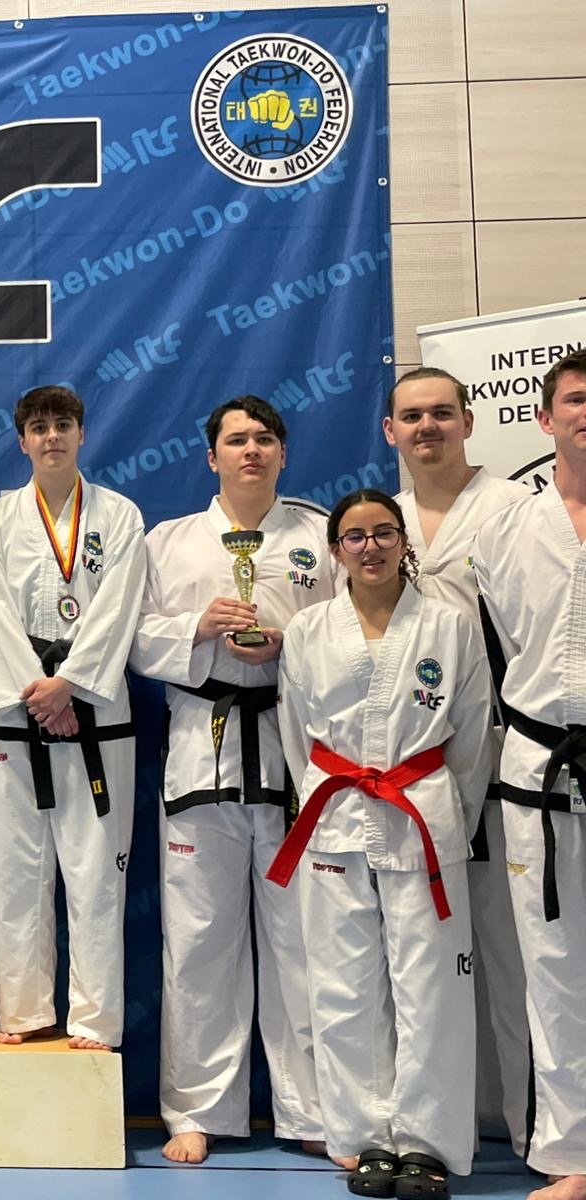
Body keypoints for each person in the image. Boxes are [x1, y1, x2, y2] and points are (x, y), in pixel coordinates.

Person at [129, 395, 331, 1163]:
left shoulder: (320, 536)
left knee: (302, 939)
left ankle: (313, 1111)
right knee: (198, 939)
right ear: (210, 456)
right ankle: (196, 1109)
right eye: (237, 440)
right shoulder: (169, 541)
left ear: (284, 452)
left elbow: (355, 632)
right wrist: (197, 628)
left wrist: (291, 641)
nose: (252, 450)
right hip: (200, 747)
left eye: (265, 439)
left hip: (295, 749)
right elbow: (133, 639)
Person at [272, 489, 488, 1197]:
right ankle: (364, 1139)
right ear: (336, 550)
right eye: (355, 537)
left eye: (384, 533)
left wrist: (449, 813)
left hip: (422, 810)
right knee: (343, 985)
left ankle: (426, 1144)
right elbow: (296, 735)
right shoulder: (308, 630)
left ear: (403, 542)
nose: (371, 547)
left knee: (431, 987)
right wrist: (326, 794)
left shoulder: (450, 627)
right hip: (335, 814)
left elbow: (472, 736)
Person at [0, 386, 144, 1051]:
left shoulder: (119, 516)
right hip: (17, 718)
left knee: (96, 874)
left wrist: (69, 685)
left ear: (81, 434)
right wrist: (38, 696)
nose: (51, 437)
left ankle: (93, 1019)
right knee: (16, 871)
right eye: (38, 427)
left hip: (94, 713)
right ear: (21, 440)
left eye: (62, 425)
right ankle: (25, 1011)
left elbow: (120, 607)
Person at [386, 367, 531, 1155]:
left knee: (514, 946)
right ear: (391, 432)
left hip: (506, 749)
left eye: (442, 413)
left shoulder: (515, 509)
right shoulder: (384, 523)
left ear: (469, 422)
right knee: (427, 951)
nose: (428, 427)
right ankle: (446, 1119)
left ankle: (531, 1120)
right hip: (408, 762)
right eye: (412, 416)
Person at [473, 349, 586, 1200]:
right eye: (575, 399)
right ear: (544, 419)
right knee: (552, 966)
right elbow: (508, 646)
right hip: (541, 762)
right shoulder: (508, 530)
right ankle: (571, 1154)